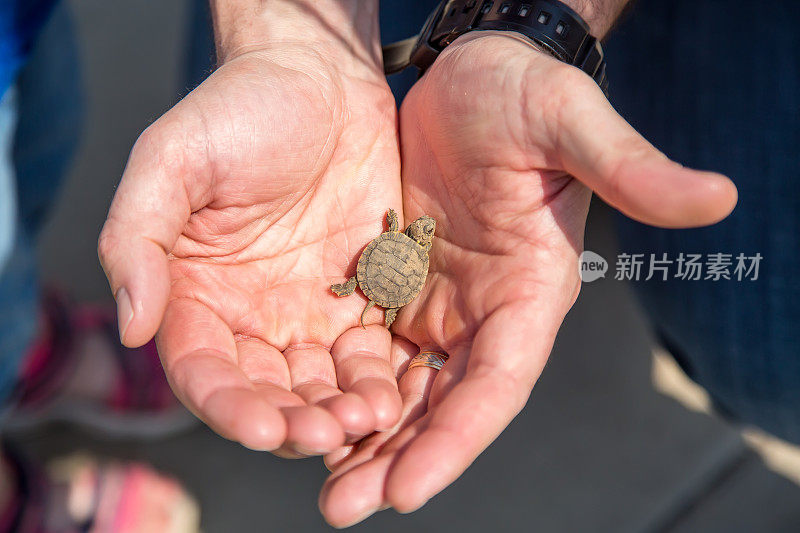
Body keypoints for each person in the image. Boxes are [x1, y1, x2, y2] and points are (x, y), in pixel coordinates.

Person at [96, 0, 738, 528]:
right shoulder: (411, 239)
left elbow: (396, 248)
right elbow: (401, 253)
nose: (420, 229)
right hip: (380, 258)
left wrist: (531, 27)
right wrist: (284, 38)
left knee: (757, 357)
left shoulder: (400, 236)